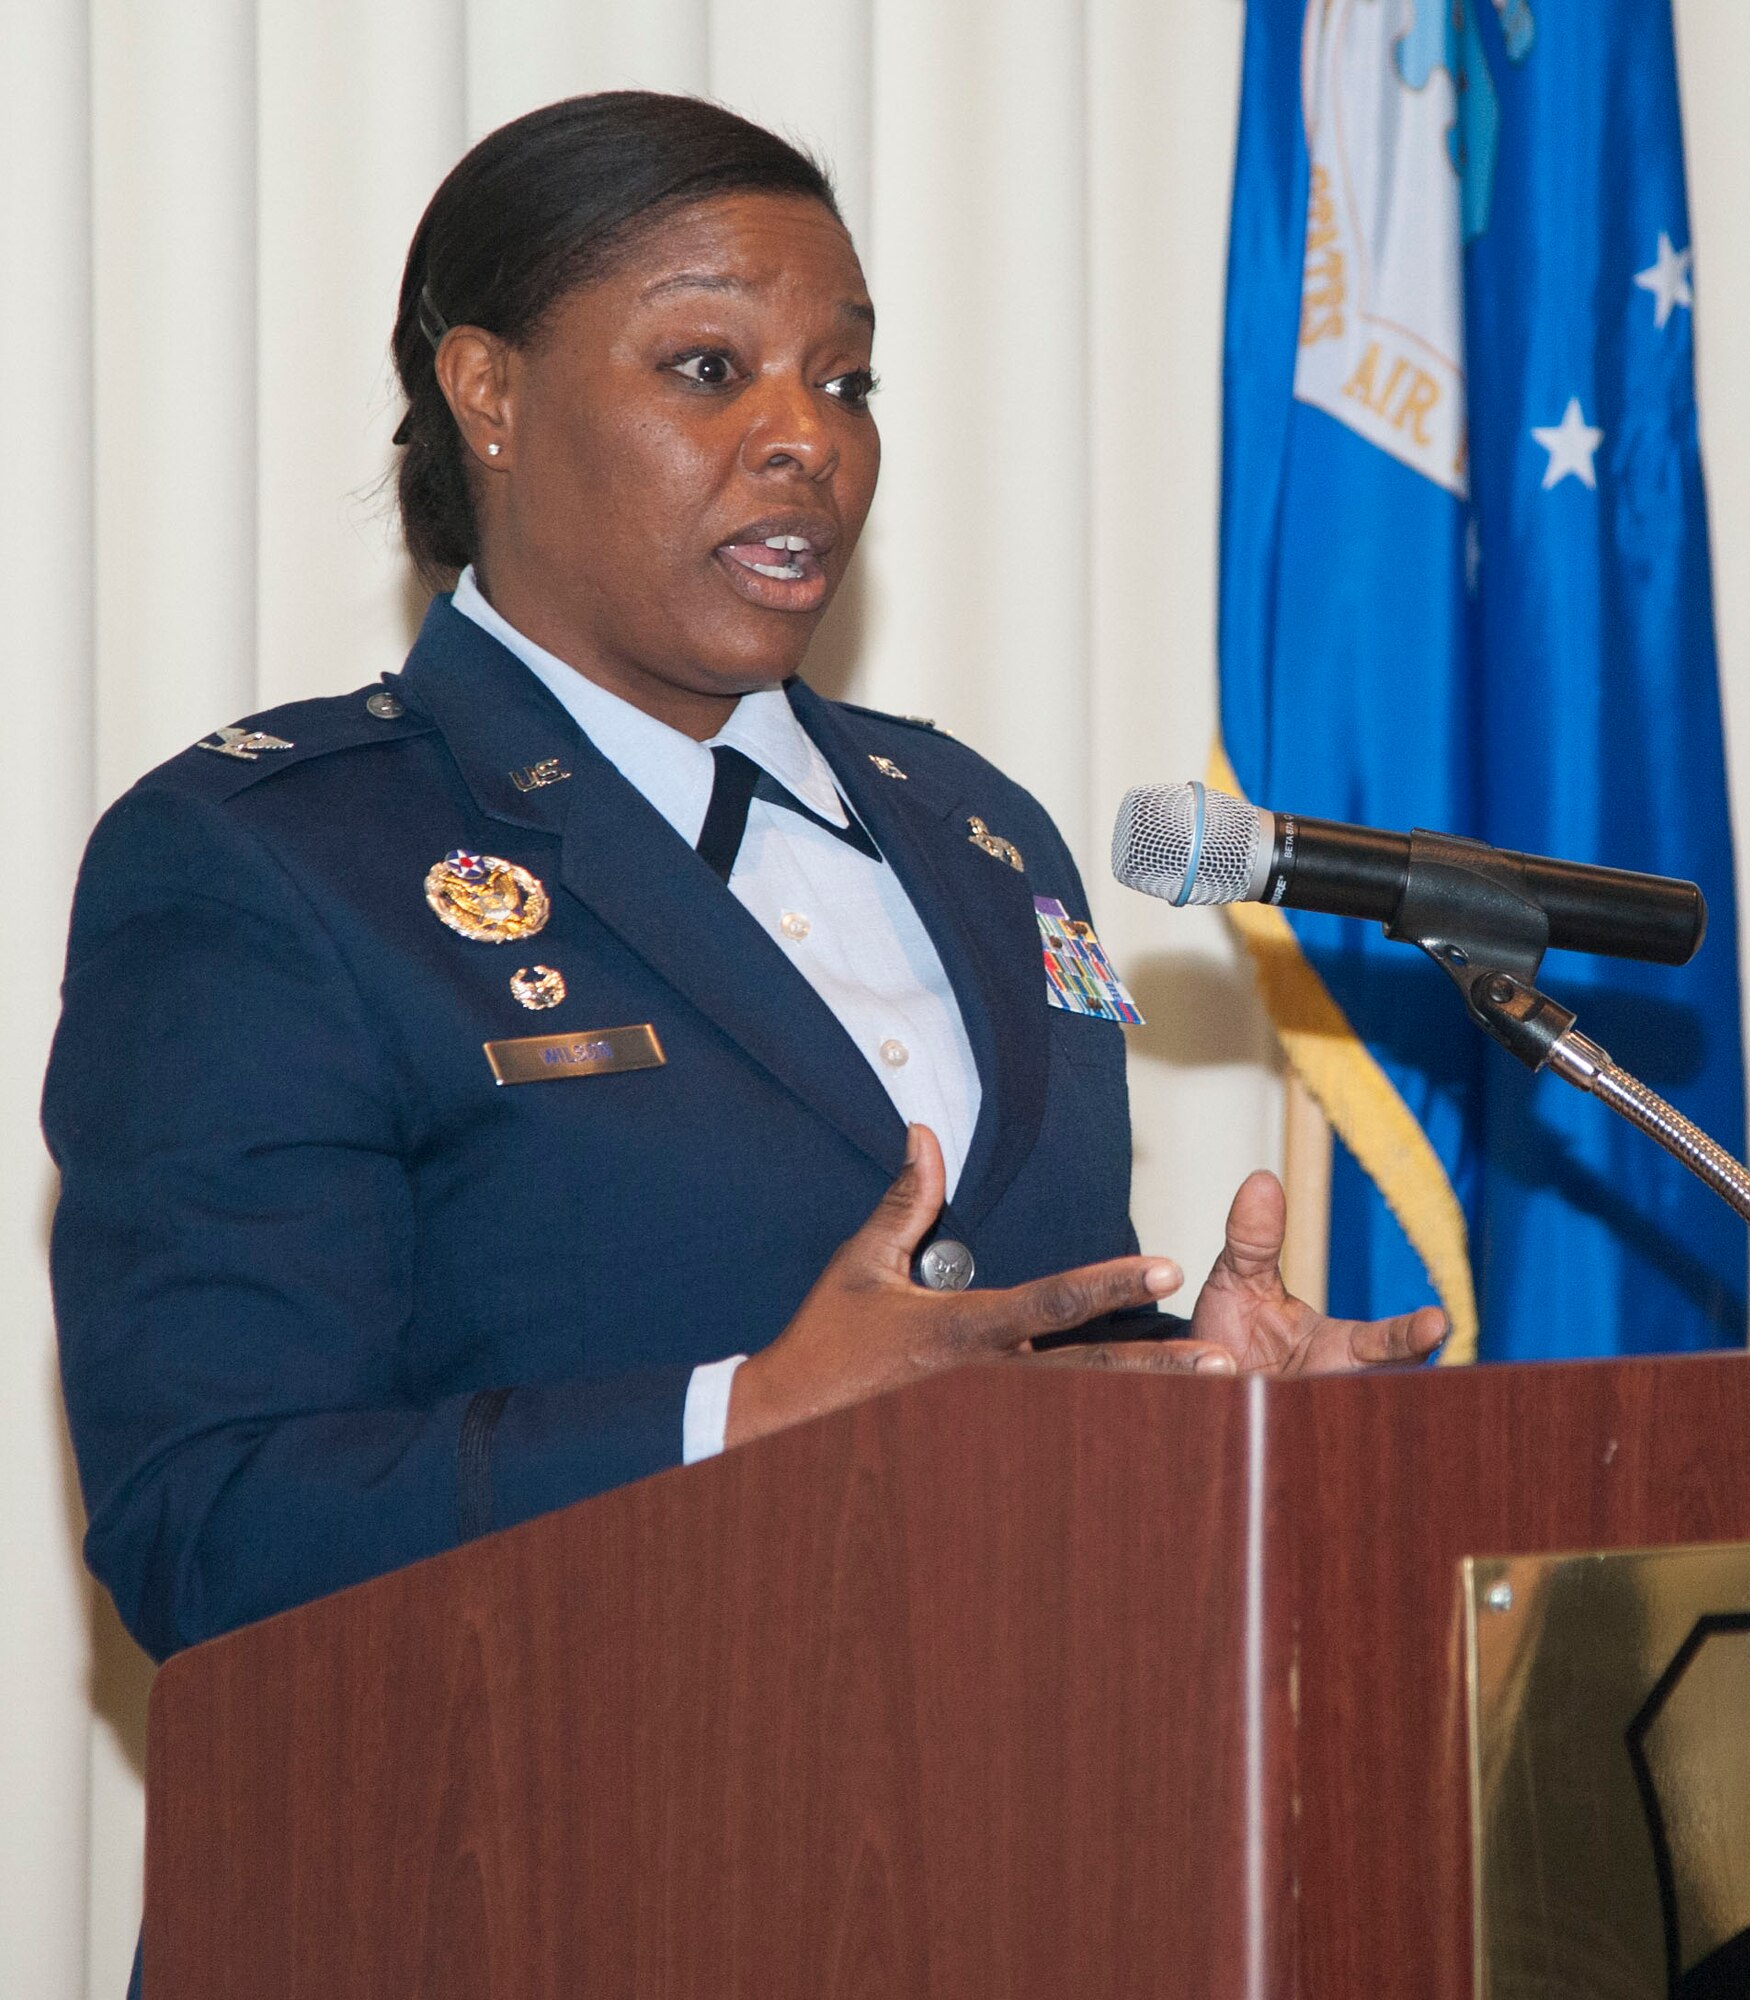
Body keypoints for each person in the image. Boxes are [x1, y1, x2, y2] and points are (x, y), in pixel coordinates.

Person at [47, 92, 1444, 1676]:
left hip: (993, 1859)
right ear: (489, 395)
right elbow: (208, 1529)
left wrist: (1190, 1402)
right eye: (710, 369)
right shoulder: (275, 858)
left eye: (843, 380)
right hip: (509, 1879)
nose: (807, 437)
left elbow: (972, 1358)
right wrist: (742, 1418)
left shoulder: (978, 834)